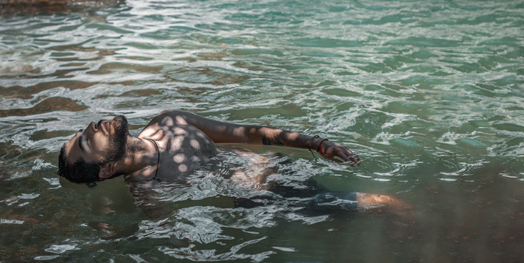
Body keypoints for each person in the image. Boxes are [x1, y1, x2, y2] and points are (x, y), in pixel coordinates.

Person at [58, 110, 412, 216]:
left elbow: (247, 134)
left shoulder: (170, 121)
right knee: (386, 204)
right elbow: (182, 244)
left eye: (84, 130)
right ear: (105, 169)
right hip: (267, 199)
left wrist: (316, 144)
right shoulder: (147, 190)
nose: (92, 127)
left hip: (281, 168)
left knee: (381, 209)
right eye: (89, 141)